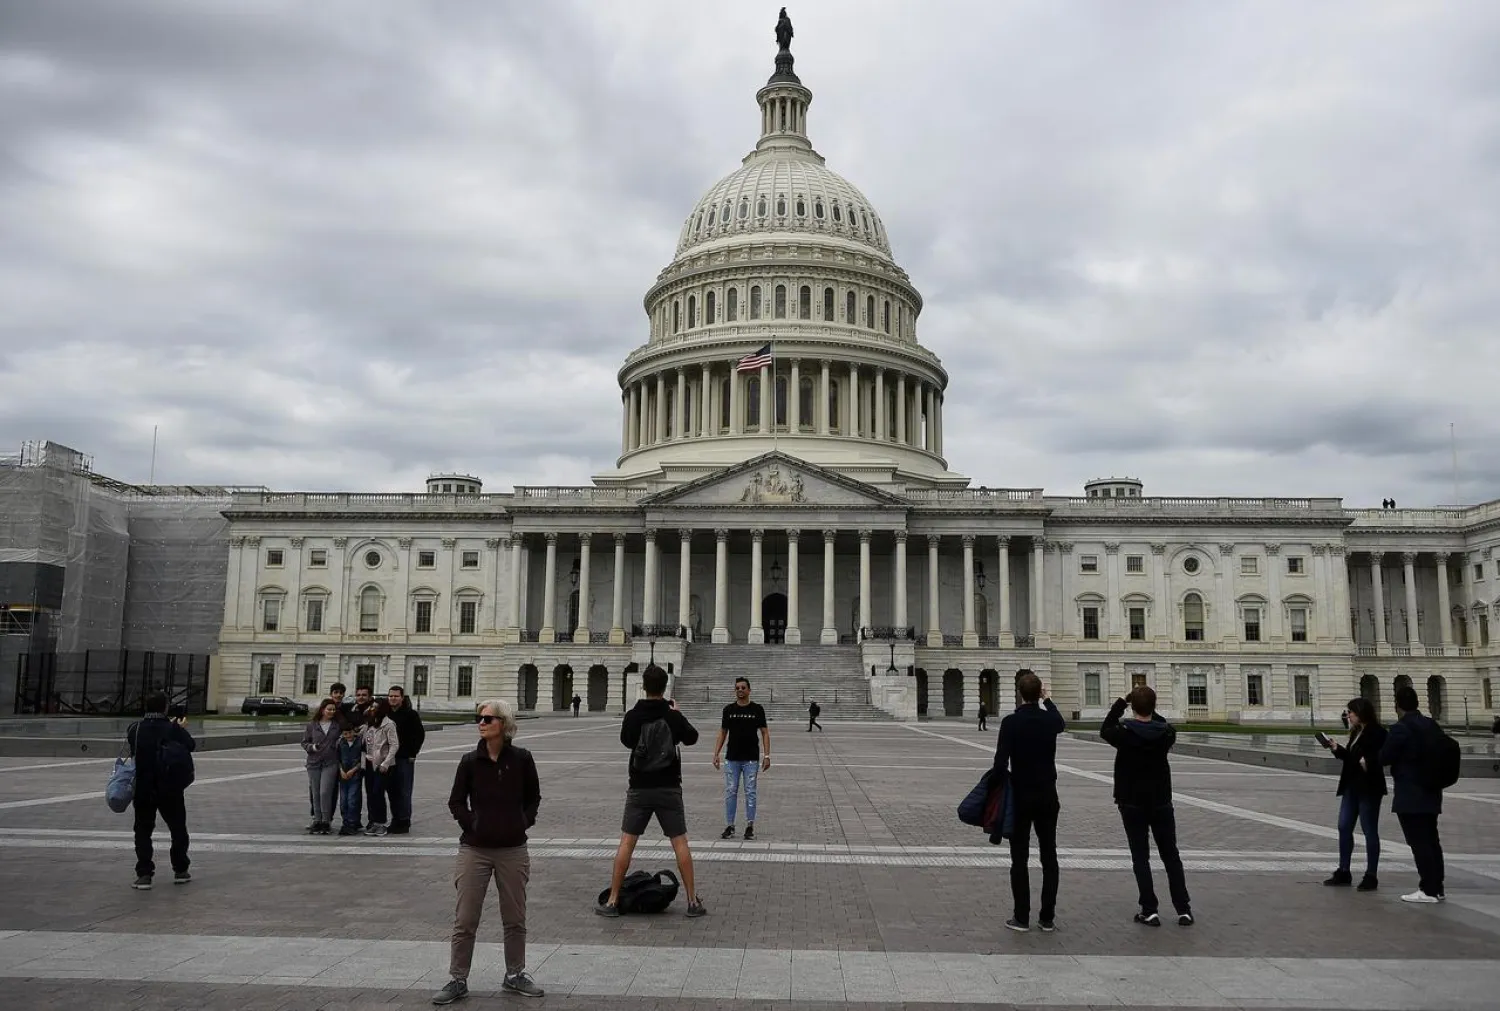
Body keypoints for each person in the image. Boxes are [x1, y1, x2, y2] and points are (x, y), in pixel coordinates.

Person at [433, 699, 544, 1004]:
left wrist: (522, 821)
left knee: (515, 917)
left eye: (487, 719)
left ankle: (515, 974)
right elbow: (456, 801)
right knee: (465, 918)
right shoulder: (470, 761)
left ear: (503, 725)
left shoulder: (522, 759)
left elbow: (534, 798)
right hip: (475, 849)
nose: (481, 723)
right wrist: (473, 823)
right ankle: (457, 978)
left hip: (512, 849)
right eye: (479, 719)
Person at [596, 665, 706, 918]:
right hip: (668, 786)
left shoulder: (634, 715)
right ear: (665, 686)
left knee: (627, 842)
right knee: (679, 842)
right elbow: (692, 738)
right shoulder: (671, 715)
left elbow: (626, 741)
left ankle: (613, 900)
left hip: (639, 787)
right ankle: (692, 901)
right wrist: (676, 714)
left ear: (644, 686)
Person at [1100, 687, 1193, 927]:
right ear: (1153, 707)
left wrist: (1122, 702)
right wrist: (1148, 707)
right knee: (1171, 855)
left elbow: (1105, 728)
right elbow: (1161, 722)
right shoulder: (1166, 734)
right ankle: (1183, 909)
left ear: (1133, 708)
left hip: (1132, 802)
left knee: (1140, 857)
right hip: (1161, 801)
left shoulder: (1125, 733)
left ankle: (1149, 909)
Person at [992, 670, 1064, 932]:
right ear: (1039, 693)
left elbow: (1000, 763)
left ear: (1019, 694)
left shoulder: (1011, 723)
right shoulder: (1049, 721)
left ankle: (1021, 917)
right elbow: (1060, 722)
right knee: (1049, 857)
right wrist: (1048, 700)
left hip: (1021, 796)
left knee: (1019, 859)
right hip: (1047, 795)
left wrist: (1007, 782)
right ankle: (1047, 917)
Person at [1379, 684, 1446, 903]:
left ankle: (1427, 889)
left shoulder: (1400, 728)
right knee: (1431, 839)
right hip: (1432, 789)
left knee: (1419, 841)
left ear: (1397, 705)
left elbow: (1385, 756)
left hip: (1411, 791)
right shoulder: (1431, 724)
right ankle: (1437, 886)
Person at [126, 691, 197, 889]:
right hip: (170, 787)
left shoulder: (135, 728)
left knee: (142, 830)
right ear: (165, 707)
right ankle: (180, 869)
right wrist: (179, 728)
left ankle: (144, 874)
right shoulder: (172, 728)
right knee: (178, 829)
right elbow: (191, 745)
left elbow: (132, 751)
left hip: (143, 788)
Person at [1319, 697, 1387, 890]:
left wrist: (1369, 761)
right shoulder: (1356, 732)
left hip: (1368, 787)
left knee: (1369, 830)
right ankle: (1344, 870)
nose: (1348, 715)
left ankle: (1371, 874)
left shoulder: (1378, 732)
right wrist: (1336, 748)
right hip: (1351, 786)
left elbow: (1382, 756)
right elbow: (1352, 758)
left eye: (1351, 712)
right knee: (1343, 826)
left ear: (1361, 713)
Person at [712, 677, 770, 840]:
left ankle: (749, 826)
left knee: (750, 792)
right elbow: (723, 732)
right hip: (732, 758)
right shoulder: (728, 710)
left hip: (751, 758)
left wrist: (767, 755)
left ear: (749, 690)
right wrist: (716, 753)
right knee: (731, 791)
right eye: (737, 687)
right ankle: (730, 825)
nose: (740, 690)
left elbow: (765, 732)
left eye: (743, 687)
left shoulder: (757, 709)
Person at [386, 685, 427, 834]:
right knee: (392, 790)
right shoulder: (385, 714)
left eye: (396, 696)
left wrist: (413, 753)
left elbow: (419, 735)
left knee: (404, 790)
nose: (393, 699)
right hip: (388, 758)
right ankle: (395, 819)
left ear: (402, 698)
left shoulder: (411, 715)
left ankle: (404, 821)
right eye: (390, 696)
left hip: (404, 758)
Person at [301, 698, 342, 835]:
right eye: (329, 709)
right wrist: (312, 747)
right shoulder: (313, 725)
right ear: (322, 710)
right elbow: (304, 742)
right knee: (316, 792)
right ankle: (317, 820)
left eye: (333, 709)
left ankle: (326, 820)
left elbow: (344, 738)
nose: (331, 712)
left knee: (325, 792)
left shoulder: (337, 725)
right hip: (314, 763)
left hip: (330, 762)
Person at [361, 700, 400, 837]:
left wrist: (386, 763)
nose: (372, 709)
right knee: (371, 793)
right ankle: (374, 822)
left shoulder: (389, 724)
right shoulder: (370, 723)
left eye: (375, 707)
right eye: (371, 706)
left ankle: (381, 823)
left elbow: (394, 745)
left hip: (383, 764)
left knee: (378, 792)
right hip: (369, 763)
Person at [336, 718, 365, 836]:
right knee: (343, 801)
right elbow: (337, 758)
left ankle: (352, 823)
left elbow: (361, 760)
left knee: (352, 799)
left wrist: (353, 770)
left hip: (355, 775)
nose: (348, 736)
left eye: (350, 733)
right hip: (343, 776)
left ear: (354, 731)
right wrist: (341, 770)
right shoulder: (340, 742)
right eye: (345, 734)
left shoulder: (360, 742)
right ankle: (346, 822)